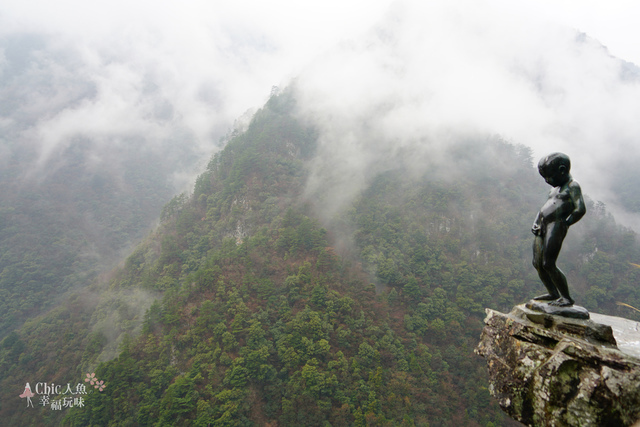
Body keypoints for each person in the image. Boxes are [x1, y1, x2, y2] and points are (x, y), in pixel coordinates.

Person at [531, 153, 586, 307]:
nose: (547, 181)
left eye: (549, 177)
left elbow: (580, 208)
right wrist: (536, 222)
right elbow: (543, 208)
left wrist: (566, 223)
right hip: (542, 226)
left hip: (555, 225)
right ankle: (552, 293)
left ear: (562, 170)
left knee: (548, 263)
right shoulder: (554, 189)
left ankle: (567, 297)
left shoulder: (572, 186)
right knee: (537, 263)